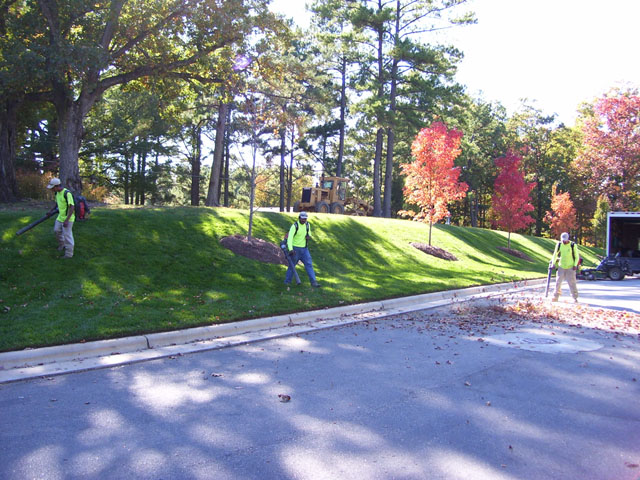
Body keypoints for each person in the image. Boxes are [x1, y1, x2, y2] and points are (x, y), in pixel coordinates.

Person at [285, 211, 320, 287]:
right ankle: (287, 282)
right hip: (295, 249)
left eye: (305, 219)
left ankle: (314, 282)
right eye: (302, 219)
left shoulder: (307, 225)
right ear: (299, 218)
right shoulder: (295, 226)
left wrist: (309, 236)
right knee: (292, 266)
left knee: (309, 265)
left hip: (304, 249)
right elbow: (290, 238)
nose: (304, 220)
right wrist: (290, 249)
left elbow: (309, 233)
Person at [46, 178, 75, 259]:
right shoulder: (57, 193)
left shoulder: (67, 193)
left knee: (67, 236)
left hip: (68, 218)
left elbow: (72, 207)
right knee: (56, 230)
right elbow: (57, 204)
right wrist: (50, 211)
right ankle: (62, 245)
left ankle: (69, 254)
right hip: (60, 217)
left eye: (52, 188)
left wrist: (67, 220)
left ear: (57, 186)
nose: (51, 189)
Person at [550, 232, 580, 302]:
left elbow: (576, 256)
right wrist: (553, 263)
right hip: (561, 266)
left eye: (565, 240)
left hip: (570, 266)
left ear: (568, 239)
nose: (564, 241)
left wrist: (575, 265)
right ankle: (555, 297)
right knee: (558, 282)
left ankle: (575, 298)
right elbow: (555, 254)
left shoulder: (573, 245)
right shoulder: (559, 244)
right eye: (563, 240)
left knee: (572, 283)